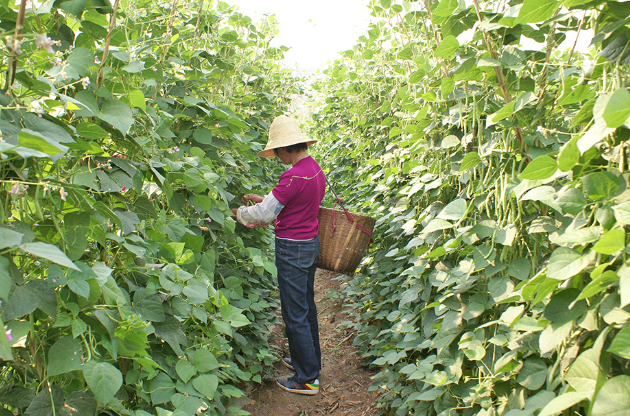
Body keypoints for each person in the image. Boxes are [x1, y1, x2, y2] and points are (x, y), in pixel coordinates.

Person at [230, 115, 325, 395]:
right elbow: (290, 203)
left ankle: (307, 378)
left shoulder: (293, 174)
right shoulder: (315, 169)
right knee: (306, 307)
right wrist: (265, 200)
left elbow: (264, 214)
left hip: (292, 248)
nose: (278, 157)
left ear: (286, 148)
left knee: (294, 313)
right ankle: (308, 362)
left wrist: (238, 213)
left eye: (278, 152)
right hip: (309, 243)